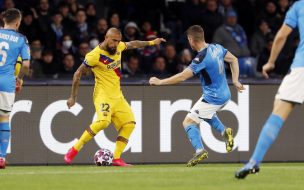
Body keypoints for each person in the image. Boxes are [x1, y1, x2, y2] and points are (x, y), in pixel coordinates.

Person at [64, 27, 166, 166]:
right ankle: (74, 149)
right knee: (103, 122)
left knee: (129, 124)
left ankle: (117, 158)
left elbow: (133, 43)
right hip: (102, 95)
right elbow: (77, 74)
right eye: (113, 41)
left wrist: (153, 42)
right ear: (106, 37)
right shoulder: (94, 55)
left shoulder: (118, 47)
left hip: (117, 96)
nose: (116, 44)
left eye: (118, 41)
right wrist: (73, 97)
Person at [149, 25, 244, 167]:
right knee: (205, 114)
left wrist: (159, 82)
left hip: (214, 97)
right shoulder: (217, 47)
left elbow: (182, 77)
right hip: (224, 94)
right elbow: (234, 60)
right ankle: (224, 131)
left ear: (191, 39)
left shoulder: (201, 58)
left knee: (188, 122)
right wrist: (235, 80)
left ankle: (200, 150)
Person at [235, 0, 304, 179]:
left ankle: (254, 161)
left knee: (279, 110)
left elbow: (281, 36)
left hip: (301, 68)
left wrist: (271, 61)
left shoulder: (298, 6)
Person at [0, 8, 30, 169]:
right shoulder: (21, 39)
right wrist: (19, 79)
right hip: (6, 82)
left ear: (4, 20)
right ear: (18, 22)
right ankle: (1, 157)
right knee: (3, 119)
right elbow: (25, 64)